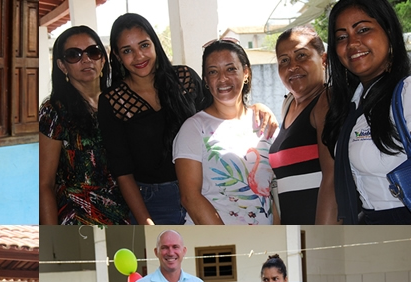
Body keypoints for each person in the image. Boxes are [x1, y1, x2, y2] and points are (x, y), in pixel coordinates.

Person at [98, 13, 277, 225]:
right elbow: (122, 171)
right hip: (154, 201)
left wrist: (256, 107)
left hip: (206, 191)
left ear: (155, 44)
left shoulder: (184, 79)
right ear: (117, 56)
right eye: (128, 51)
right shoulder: (112, 101)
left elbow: (219, 111)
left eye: (144, 45)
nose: (139, 56)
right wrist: (146, 221)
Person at [324, 0, 411, 224]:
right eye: (342, 37)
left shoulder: (406, 94)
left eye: (363, 30)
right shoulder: (350, 105)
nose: (353, 43)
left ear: (389, 32)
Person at [174, 38, 276, 225]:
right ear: (206, 80)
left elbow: (272, 192)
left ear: (246, 72)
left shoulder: (263, 121)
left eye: (231, 69)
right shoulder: (194, 128)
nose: (223, 79)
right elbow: (190, 198)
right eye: (213, 72)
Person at [39, 25, 129, 225]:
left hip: (126, 213)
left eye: (93, 52)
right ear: (62, 66)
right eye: (74, 55)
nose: (86, 59)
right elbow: (45, 183)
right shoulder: (54, 111)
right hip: (78, 218)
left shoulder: (120, 101)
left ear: (103, 59)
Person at [270, 26, 341, 225]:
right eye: (284, 60)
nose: (292, 66)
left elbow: (333, 178)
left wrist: (324, 239)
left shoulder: (326, 101)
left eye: (301, 55)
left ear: (324, 60)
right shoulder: (289, 106)